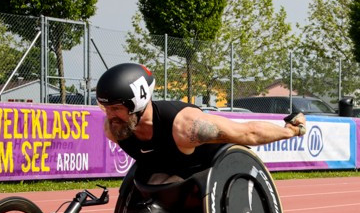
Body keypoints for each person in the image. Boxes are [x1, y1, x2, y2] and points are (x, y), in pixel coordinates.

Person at [95, 63, 307, 181]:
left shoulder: (187, 127)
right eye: (106, 108)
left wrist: (289, 131)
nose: (110, 116)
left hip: (212, 169)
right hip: (169, 176)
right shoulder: (113, 129)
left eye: (116, 109)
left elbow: (247, 133)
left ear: (137, 104)